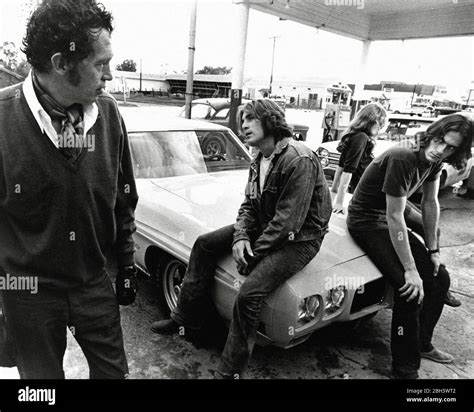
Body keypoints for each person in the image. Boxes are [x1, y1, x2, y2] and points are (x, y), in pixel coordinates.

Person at [0, 0, 138, 379]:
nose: (110, 75)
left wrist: (126, 265)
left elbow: (123, 201)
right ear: (61, 63)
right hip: (28, 292)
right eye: (101, 64)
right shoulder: (2, 120)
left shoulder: (108, 116)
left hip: (93, 284)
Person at [151, 99, 332, 378]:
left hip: (301, 239)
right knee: (204, 244)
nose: (243, 125)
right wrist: (240, 237)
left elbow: (288, 224)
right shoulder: (260, 156)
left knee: (248, 295)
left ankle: (230, 371)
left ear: (270, 120)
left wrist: (253, 254)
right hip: (267, 226)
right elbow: (249, 205)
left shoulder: (299, 159)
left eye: (250, 119)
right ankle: (182, 318)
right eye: (242, 119)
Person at [346, 114, 472, 379]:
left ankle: (421, 343)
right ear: (432, 133)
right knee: (409, 289)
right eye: (440, 141)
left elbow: (430, 202)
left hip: (393, 212)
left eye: (450, 148)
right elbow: (394, 217)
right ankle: (404, 369)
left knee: (440, 278)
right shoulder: (405, 155)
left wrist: (434, 252)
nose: (440, 150)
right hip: (368, 219)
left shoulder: (436, 159)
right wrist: (411, 269)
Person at [331, 103, 386, 213]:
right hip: (369, 191)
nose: (380, 128)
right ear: (374, 122)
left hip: (364, 190)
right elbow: (348, 171)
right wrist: (339, 202)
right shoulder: (362, 138)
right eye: (380, 124)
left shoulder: (354, 135)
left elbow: (341, 166)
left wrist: (334, 192)